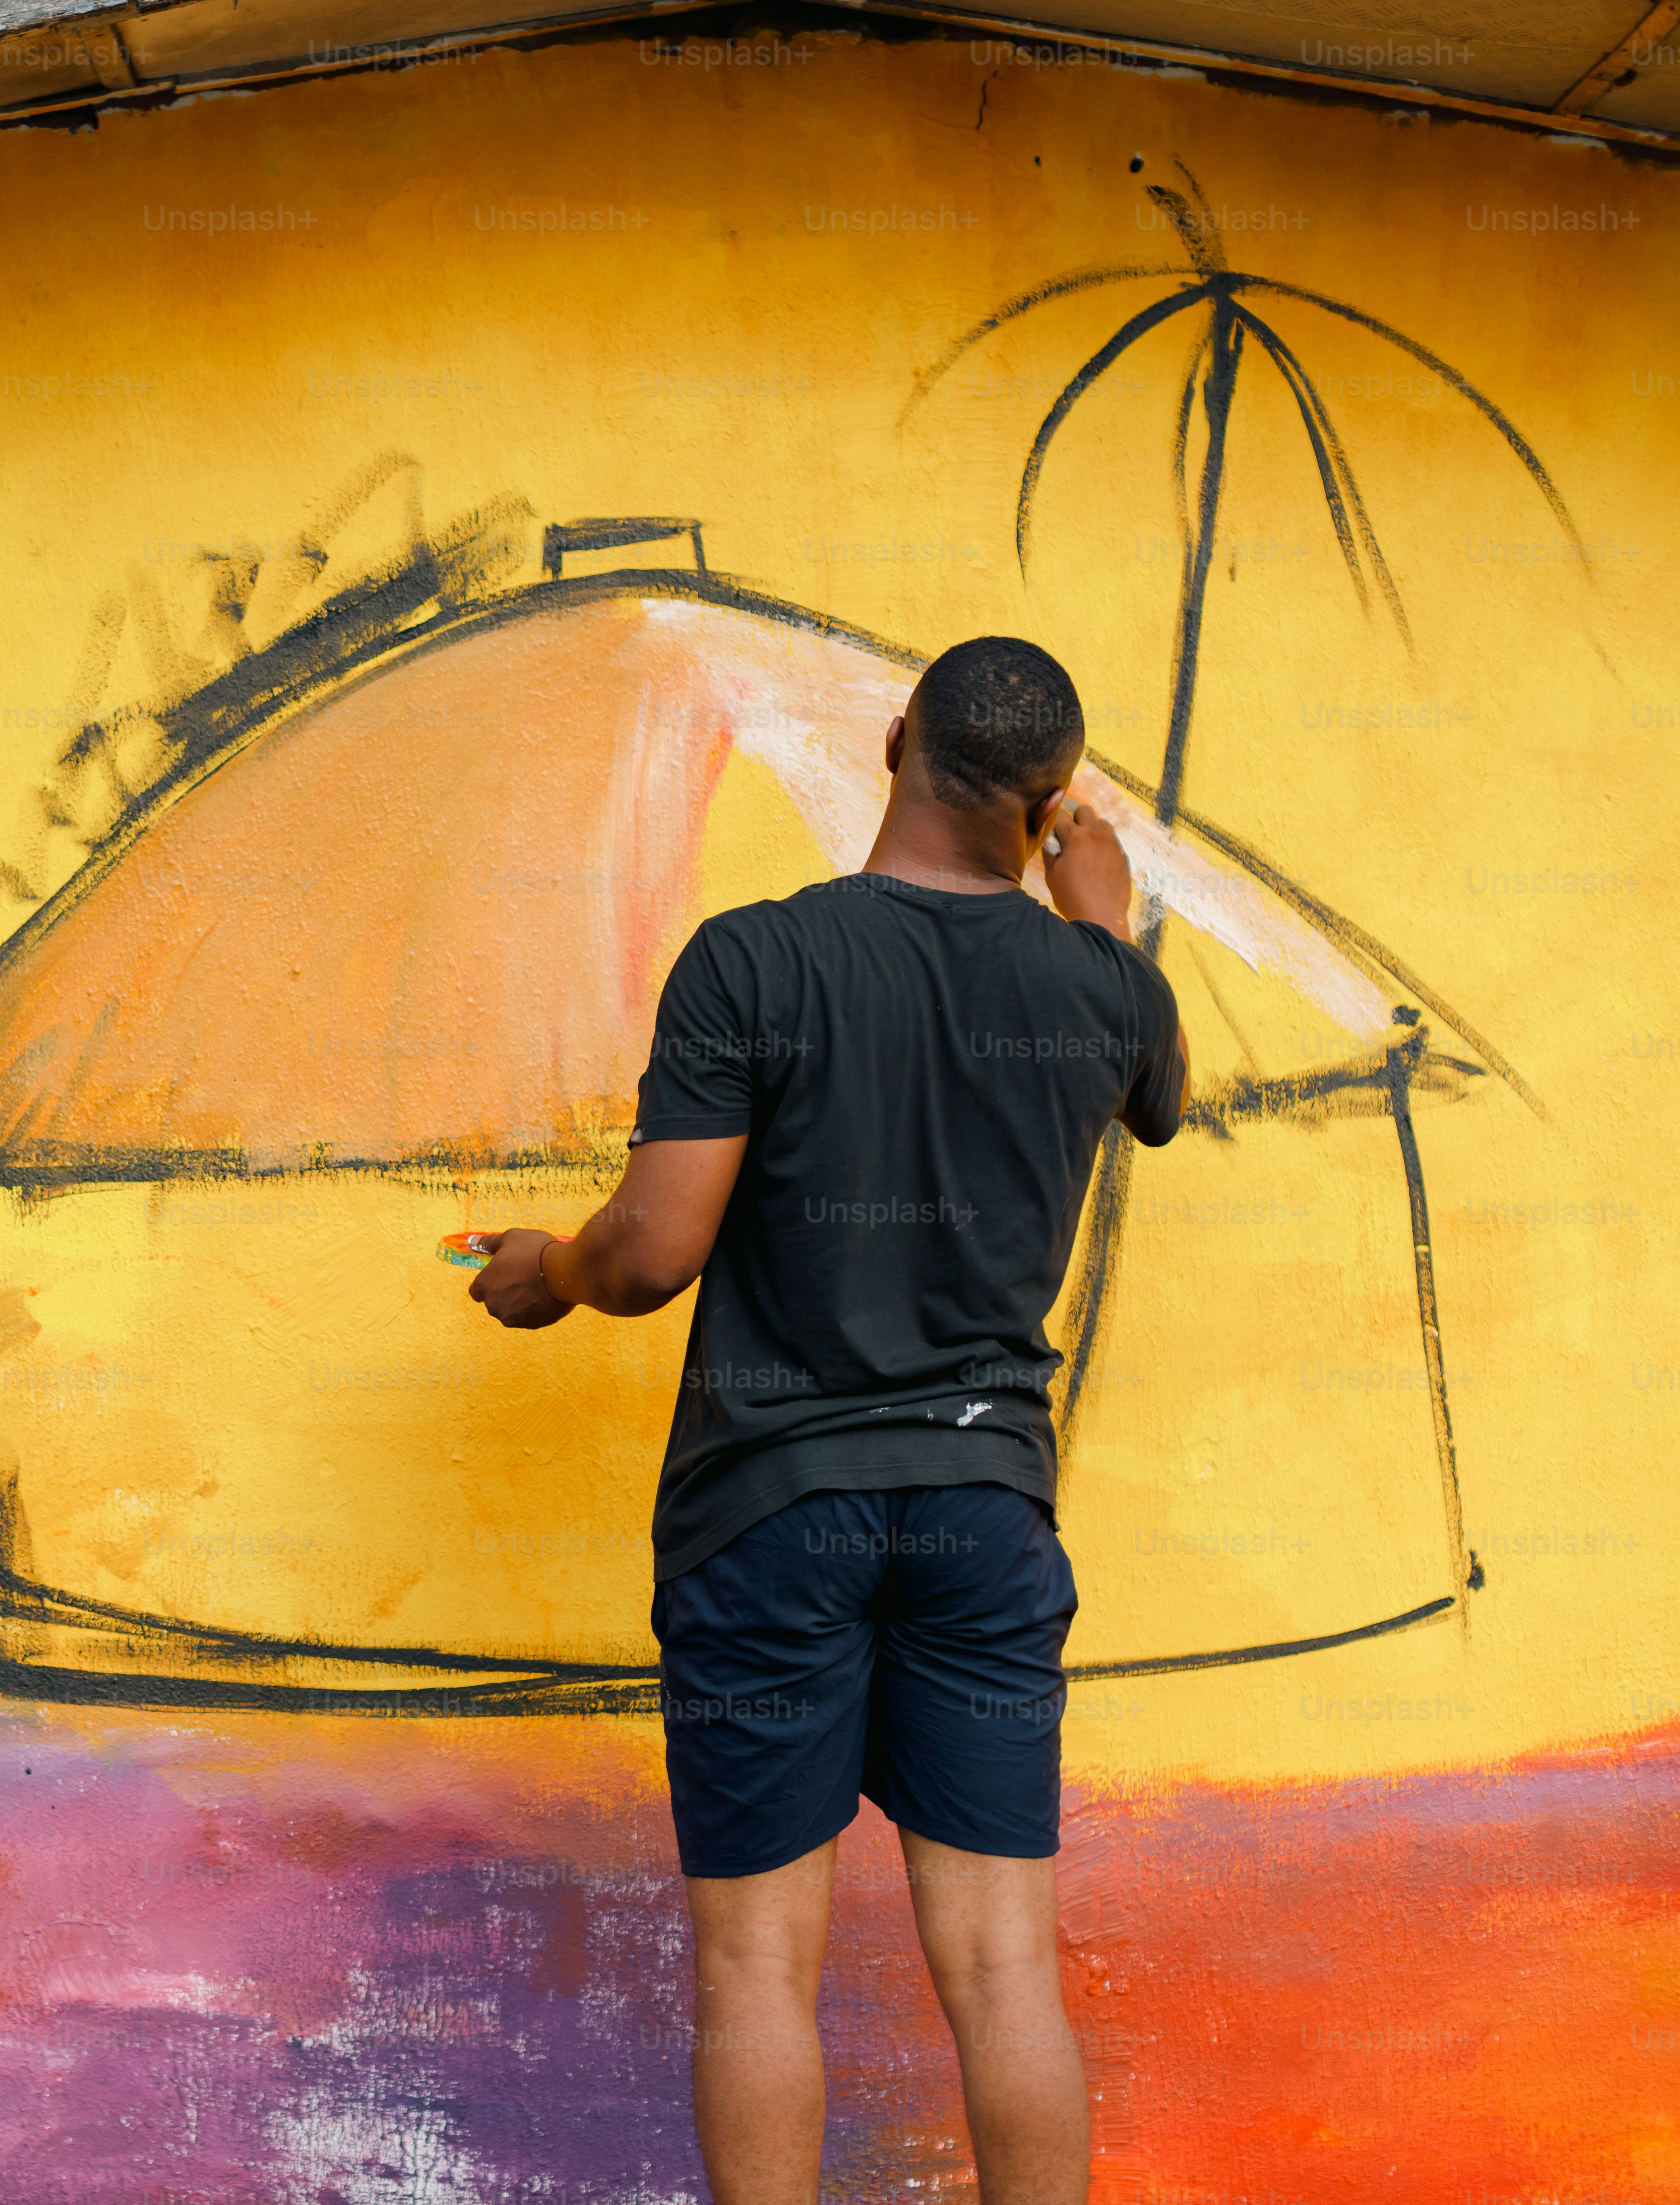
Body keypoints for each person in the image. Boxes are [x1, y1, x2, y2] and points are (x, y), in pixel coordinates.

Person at [464, 635, 1187, 2205]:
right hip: (987, 1512)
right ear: (1054, 802)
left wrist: (550, 1273)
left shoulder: (757, 961)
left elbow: (655, 1254)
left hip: (771, 1517)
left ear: (892, 745)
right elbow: (1156, 1089)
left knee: (754, 1974)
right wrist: (1108, 920)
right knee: (1005, 1973)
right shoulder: (1098, 987)